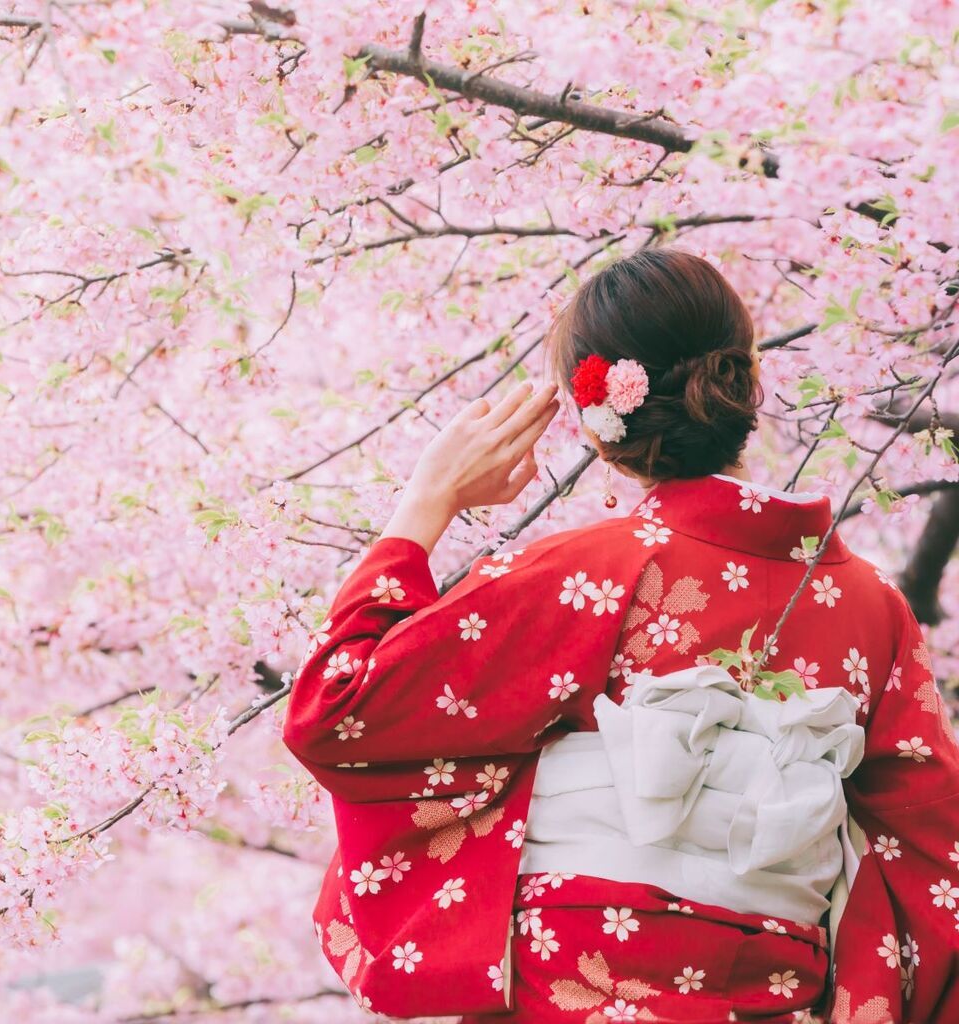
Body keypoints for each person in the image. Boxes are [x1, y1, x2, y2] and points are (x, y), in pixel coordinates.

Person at [281, 248, 959, 1023]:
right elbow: (933, 854)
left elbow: (336, 713)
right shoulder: (872, 607)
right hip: (773, 993)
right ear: (748, 380)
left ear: (596, 419)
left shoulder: (586, 573)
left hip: (571, 983)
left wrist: (427, 500)